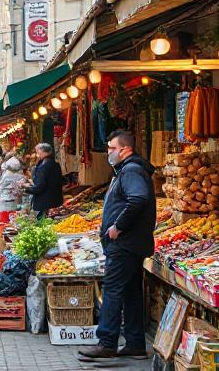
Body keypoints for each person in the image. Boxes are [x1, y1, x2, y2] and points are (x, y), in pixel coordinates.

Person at [79, 131, 155, 361]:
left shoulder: (131, 170)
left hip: (124, 244)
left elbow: (138, 199)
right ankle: (135, 344)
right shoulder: (127, 170)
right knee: (131, 293)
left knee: (112, 290)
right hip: (130, 245)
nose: (108, 152)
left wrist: (117, 227)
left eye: (111, 148)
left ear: (125, 149)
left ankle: (107, 342)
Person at [0, 157, 26, 250]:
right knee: (12, 222)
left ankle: (2, 243)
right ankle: (10, 243)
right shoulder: (21, 176)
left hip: (4, 202)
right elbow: (22, 190)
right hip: (16, 202)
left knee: (3, 222)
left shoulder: (6, 174)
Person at [23, 143, 64, 219]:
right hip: (56, 202)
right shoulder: (56, 165)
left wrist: (26, 188)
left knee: (43, 224)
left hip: (44, 204)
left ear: (42, 151)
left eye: (38, 151)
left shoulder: (43, 166)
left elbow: (39, 187)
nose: (37, 153)